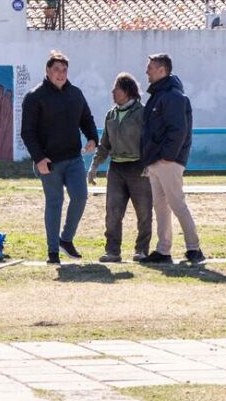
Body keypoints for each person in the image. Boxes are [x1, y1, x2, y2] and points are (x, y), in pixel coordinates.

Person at [21, 50, 98, 264]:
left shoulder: (76, 94)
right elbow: (27, 132)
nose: (61, 74)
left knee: (81, 197)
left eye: (64, 70)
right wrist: (39, 158)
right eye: (56, 70)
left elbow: (86, 118)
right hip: (49, 162)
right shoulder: (34, 96)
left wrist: (92, 138)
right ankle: (53, 251)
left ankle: (66, 239)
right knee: (55, 203)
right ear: (47, 71)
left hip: (74, 158)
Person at [140, 53, 206, 266]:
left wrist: (168, 157)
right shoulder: (158, 96)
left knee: (177, 204)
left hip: (167, 162)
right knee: (160, 207)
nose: (147, 71)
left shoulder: (173, 97)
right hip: (155, 161)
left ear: (162, 70)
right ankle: (163, 250)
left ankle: (194, 248)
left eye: (150, 67)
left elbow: (178, 130)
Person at [88, 73, 152, 263]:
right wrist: (94, 166)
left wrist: (149, 163)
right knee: (113, 212)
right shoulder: (111, 114)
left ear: (127, 90)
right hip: (116, 169)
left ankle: (142, 250)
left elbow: (150, 140)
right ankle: (112, 251)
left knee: (144, 211)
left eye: (116, 88)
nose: (112, 92)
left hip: (138, 167)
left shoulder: (143, 113)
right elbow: (104, 144)